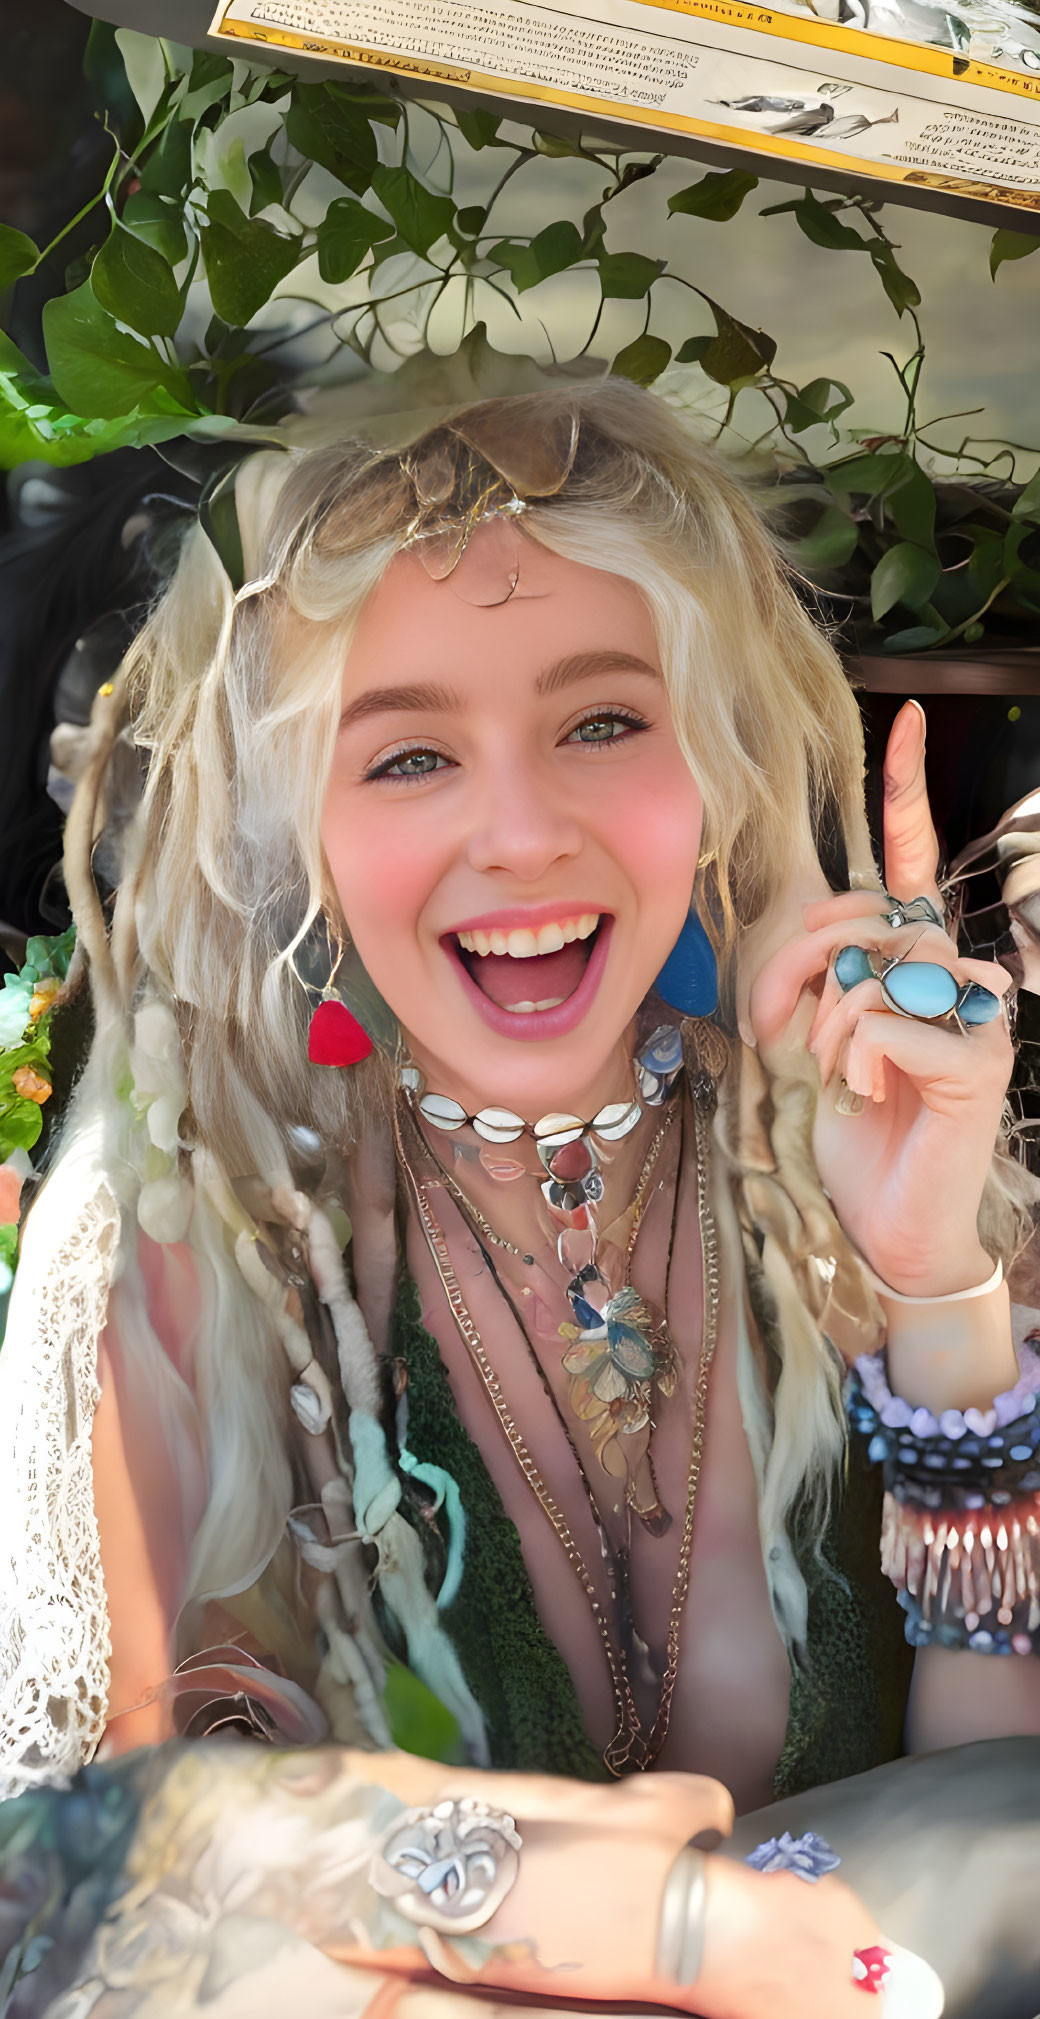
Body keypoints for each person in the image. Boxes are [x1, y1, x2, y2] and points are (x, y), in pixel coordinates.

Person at [1, 374, 1039, 2019]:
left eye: (604, 722)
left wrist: (937, 1280)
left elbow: (1001, 1819)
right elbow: (100, 1860)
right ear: (302, 822)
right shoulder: (196, 1227)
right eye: (408, 754)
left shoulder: (833, 1147)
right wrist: (667, 1935)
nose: (522, 831)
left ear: (707, 760)